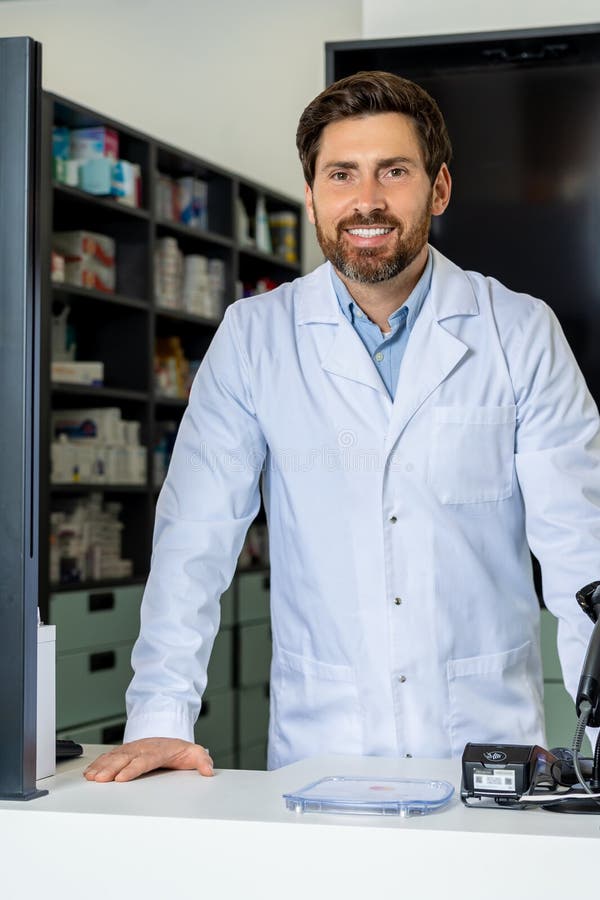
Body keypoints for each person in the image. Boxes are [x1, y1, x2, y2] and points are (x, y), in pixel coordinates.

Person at [85, 71, 598, 784]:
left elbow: (583, 552)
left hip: (485, 747)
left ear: (439, 188)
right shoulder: (256, 335)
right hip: (322, 747)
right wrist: (161, 721)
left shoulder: (518, 331)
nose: (367, 201)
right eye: (342, 174)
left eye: (394, 171)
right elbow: (194, 539)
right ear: (313, 194)